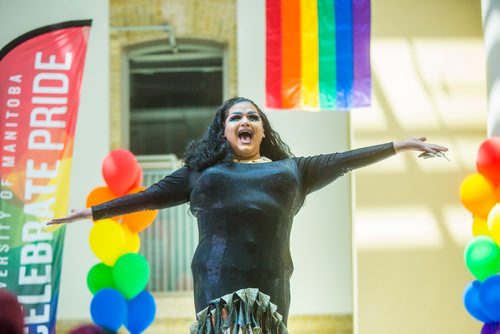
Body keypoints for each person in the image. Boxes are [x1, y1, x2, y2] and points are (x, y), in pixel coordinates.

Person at [48, 97, 448, 333]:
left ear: (262, 129)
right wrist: (92, 212)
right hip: (217, 281)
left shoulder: (293, 171)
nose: (245, 121)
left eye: (253, 116)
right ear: (223, 131)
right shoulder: (201, 174)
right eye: (235, 117)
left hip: (271, 282)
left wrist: (401, 145)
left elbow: (344, 160)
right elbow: (148, 197)